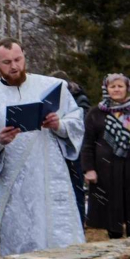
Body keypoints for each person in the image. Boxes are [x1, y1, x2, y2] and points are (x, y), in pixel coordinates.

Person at [0, 37, 85, 256]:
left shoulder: (52, 87)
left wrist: (60, 125)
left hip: (51, 177)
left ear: (24, 56)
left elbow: (76, 120)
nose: (15, 66)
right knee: (23, 248)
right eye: (7, 62)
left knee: (62, 243)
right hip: (14, 184)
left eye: (18, 59)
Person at [82, 74, 130, 238]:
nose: (116, 90)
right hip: (106, 170)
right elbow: (88, 143)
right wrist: (89, 169)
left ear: (127, 88)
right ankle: (115, 239)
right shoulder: (96, 113)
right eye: (112, 87)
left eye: (120, 86)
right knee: (112, 210)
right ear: (106, 89)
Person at [50, 70, 91, 225]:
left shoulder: (78, 99)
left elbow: (82, 123)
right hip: (54, 152)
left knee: (75, 190)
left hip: (74, 151)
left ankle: (79, 223)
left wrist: (61, 124)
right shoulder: (49, 100)